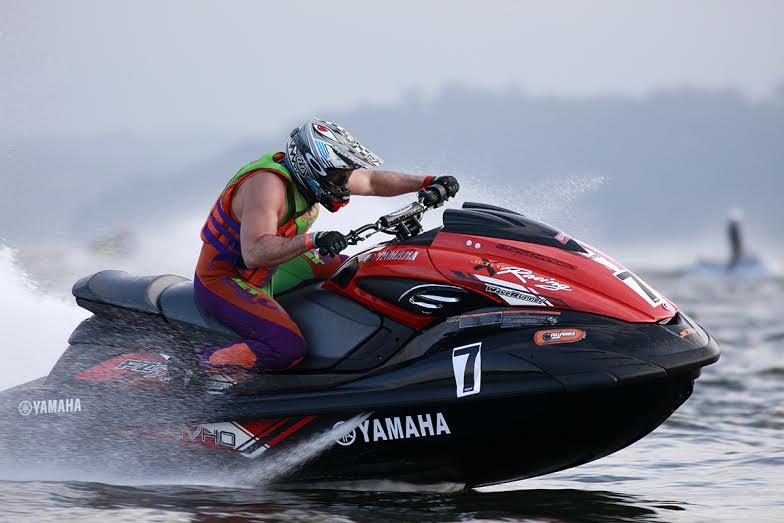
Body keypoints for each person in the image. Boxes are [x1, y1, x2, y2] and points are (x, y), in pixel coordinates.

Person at [193, 117, 459, 379]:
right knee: (287, 349)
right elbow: (254, 254)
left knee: (359, 269)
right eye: (339, 176)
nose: (344, 183)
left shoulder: (317, 177)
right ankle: (199, 370)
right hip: (226, 276)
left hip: (272, 268)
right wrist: (314, 239)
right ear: (311, 167)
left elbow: (372, 182)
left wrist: (428, 182)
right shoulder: (267, 186)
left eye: (346, 175)